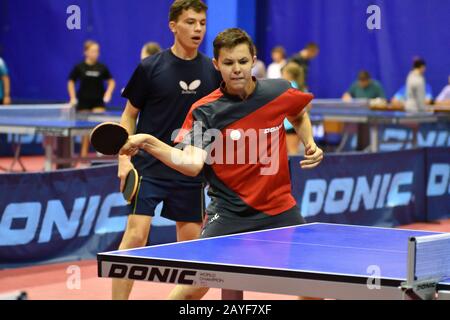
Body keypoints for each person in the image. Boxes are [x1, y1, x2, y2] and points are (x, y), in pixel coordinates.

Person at [120, 28, 324, 300]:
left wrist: (309, 141)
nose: (236, 69)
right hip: (228, 214)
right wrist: (148, 141)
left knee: (313, 287)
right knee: (190, 290)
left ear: (253, 59)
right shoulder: (205, 110)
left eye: (242, 61)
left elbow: (298, 112)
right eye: (228, 63)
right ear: (217, 65)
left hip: (279, 209)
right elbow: (191, 164)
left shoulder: (278, 91)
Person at [112, 0, 222, 300]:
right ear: (173, 26)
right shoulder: (151, 67)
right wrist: (123, 159)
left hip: (188, 170)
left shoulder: (213, 71)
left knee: (194, 259)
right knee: (135, 238)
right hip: (148, 167)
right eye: (190, 22)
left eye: (201, 22)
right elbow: (128, 115)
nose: (197, 28)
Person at [68, 40, 116, 157]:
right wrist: (73, 97)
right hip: (83, 102)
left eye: (97, 51)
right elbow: (71, 81)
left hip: (98, 102)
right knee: (85, 132)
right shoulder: (79, 67)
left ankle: (101, 154)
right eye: (93, 51)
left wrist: (108, 94)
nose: (95, 53)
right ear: (86, 52)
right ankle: (83, 157)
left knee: (99, 129)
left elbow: (111, 82)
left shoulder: (102, 67)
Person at [281, 62, 306, 154]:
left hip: (289, 125)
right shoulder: (301, 87)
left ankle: (293, 169)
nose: (282, 76)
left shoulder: (288, 87)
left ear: (288, 74)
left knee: (292, 152)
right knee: (292, 151)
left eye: (283, 73)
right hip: (298, 124)